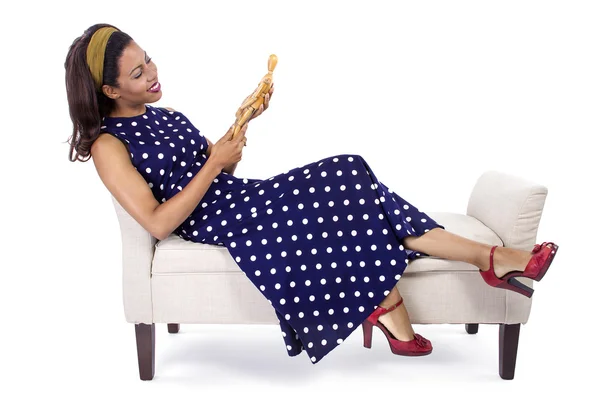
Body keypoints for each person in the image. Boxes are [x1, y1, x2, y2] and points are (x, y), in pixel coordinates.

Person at [64, 23, 559, 364]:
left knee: (358, 184)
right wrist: (215, 163)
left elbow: (212, 171)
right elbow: (157, 221)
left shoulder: (164, 116)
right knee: (350, 176)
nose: (152, 73)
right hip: (217, 223)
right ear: (109, 91)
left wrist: (236, 138)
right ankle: (464, 272)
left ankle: (473, 265)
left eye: (147, 59)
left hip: (239, 198)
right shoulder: (109, 144)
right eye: (137, 73)